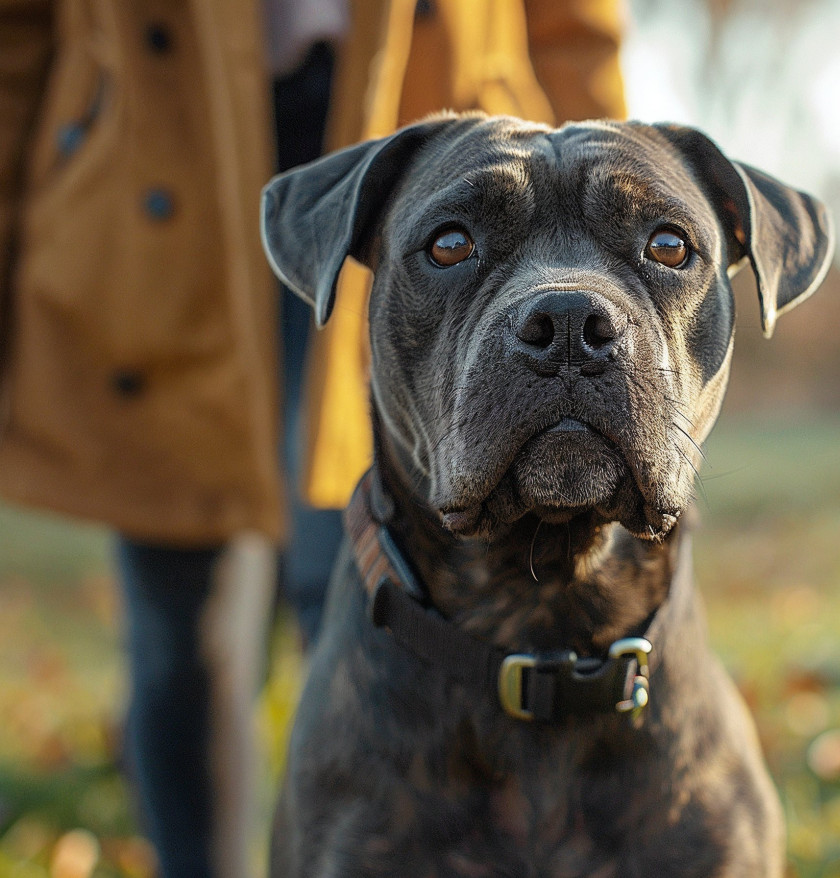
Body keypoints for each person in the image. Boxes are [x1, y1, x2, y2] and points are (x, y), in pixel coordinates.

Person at [0, 2, 627, 876]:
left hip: (438, 159)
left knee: (364, 574)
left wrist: (598, 223)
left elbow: (572, 26)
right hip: (150, 166)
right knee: (179, 617)